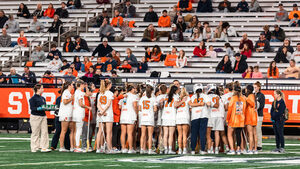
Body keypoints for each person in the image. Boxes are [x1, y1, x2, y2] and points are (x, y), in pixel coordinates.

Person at [29, 84, 52, 153]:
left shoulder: (42, 98)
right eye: (42, 88)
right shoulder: (32, 98)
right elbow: (32, 108)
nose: (43, 89)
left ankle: (44, 147)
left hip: (43, 116)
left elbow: (44, 107)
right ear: (38, 89)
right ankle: (34, 147)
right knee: (35, 132)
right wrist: (39, 108)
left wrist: (49, 108)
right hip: (35, 117)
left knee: (45, 132)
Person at [189, 84, 210, 155]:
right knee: (202, 133)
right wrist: (201, 104)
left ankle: (192, 149)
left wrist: (197, 105)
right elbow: (209, 104)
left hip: (195, 116)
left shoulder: (192, 97)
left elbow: (190, 106)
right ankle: (202, 149)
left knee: (194, 134)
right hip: (203, 116)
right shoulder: (205, 96)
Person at [161, 85, 181, 154]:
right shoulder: (176, 96)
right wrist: (182, 101)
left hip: (165, 116)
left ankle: (165, 149)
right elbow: (175, 105)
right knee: (170, 134)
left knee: (165, 134)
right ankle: (169, 149)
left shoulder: (166, 96)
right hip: (171, 116)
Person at [226, 85, 246, 155]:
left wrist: (227, 119)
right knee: (238, 134)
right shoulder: (243, 98)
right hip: (241, 119)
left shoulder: (233, 98)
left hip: (233, 119)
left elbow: (230, 110)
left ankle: (232, 149)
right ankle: (238, 149)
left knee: (229, 134)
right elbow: (244, 109)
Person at [96, 80, 114, 153]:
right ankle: (109, 149)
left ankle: (98, 148)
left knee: (100, 131)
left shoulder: (100, 93)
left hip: (101, 113)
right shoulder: (110, 93)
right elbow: (108, 104)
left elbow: (98, 105)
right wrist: (104, 112)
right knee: (109, 132)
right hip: (108, 113)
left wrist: (101, 111)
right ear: (109, 85)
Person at [119, 85, 139, 153]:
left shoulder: (124, 95)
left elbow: (119, 106)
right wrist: (137, 113)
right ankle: (130, 149)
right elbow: (135, 106)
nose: (135, 89)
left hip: (123, 115)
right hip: (130, 115)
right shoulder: (134, 96)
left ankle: (123, 148)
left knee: (123, 133)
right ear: (131, 89)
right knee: (130, 133)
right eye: (134, 88)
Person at [73, 80, 91, 153]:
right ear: (80, 85)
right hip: (79, 113)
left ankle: (76, 146)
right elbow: (81, 104)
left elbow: (88, 94)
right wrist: (88, 107)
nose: (84, 86)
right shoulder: (79, 93)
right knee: (79, 130)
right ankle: (77, 146)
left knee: (77, 130)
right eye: (83, 85)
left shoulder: (77, 92)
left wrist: (86, 87)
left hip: (76, 112)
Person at [139, 85, 157, 154]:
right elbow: (155, 109)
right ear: (152, 91)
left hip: (143, 117)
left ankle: (141, 149)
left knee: (143, 135)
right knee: (150, 135)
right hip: (150, 117)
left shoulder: (142, 98)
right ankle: (149, 150)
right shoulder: (153, 98)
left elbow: (140, 109)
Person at [57, 82, 74, 152]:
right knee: (64, 130)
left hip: (69, 113)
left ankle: (72, 146)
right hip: (65, 114)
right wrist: (72, 98)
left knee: (72, 130)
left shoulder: (68, 93)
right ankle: (61, 147)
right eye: (72, 84)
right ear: (69, 85)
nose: (73, 86)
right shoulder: (66, 92)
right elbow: (65, 102)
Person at [244, 85, 258, 154]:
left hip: (250, 116)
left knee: (250, 134)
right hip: (254, 116)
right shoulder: (253, 96)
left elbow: (252, 103)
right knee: (254, 133)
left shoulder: (250, 96)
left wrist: (245, 98)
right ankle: (255, 149)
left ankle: (250, 149)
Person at [176, 87, 190, 154]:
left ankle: (179, 149)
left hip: (178, 116)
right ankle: (184, 149)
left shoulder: (177, 98)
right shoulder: (188, 98)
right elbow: (190, 107)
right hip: (185, 116)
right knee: (184, 134)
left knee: (180, 134)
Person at [253, 81, 265, 152]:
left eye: (255, 87)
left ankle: (259, 145)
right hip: (253, 115)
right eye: (254, 87)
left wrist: (255, 107)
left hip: (259, 115)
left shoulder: (261, 95)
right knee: (254, 131)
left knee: (258, 130)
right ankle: (254, 144)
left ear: (259, 87)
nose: (254, 88)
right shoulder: (253, 94)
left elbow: (262, 106)